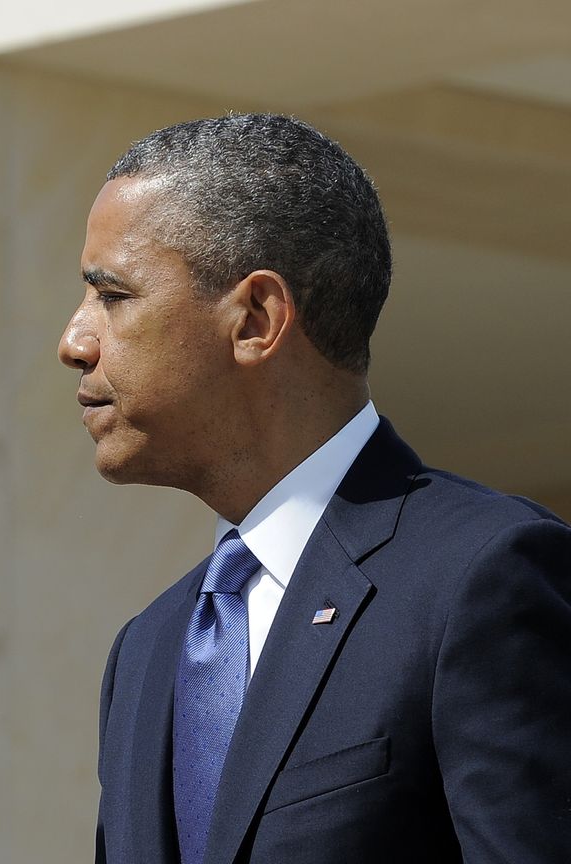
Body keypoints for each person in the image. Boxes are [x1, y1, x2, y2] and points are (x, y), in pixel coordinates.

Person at [58, 114, 571, 864]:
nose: (74, 342)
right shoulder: (148, 648)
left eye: (113, 295)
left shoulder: (481, 577)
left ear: (257, 319)